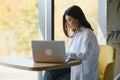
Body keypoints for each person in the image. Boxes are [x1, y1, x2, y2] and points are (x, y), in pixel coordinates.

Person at [42, 5, 99, 80]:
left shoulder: (88, 33)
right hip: (73, 67)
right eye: (66, 21)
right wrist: (60, 55)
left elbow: (85, 55)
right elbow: (70, 52)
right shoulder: (75, 34)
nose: (67, 24)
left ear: (77, 19)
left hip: (84, 72)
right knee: (49, 72)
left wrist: (66, 54)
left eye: (69, 20)